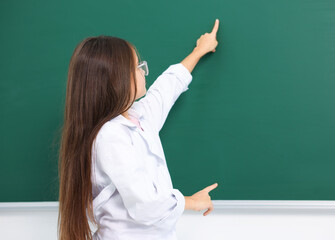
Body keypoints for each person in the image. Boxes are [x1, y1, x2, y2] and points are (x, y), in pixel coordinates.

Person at [58, 19, 220, 240]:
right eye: (137, 66)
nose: (144, 71)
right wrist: (192, 201)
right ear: (118, 79)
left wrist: (199, 51)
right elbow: (146, 205)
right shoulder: (110, 136)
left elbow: (166, 89)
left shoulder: (136, 117)